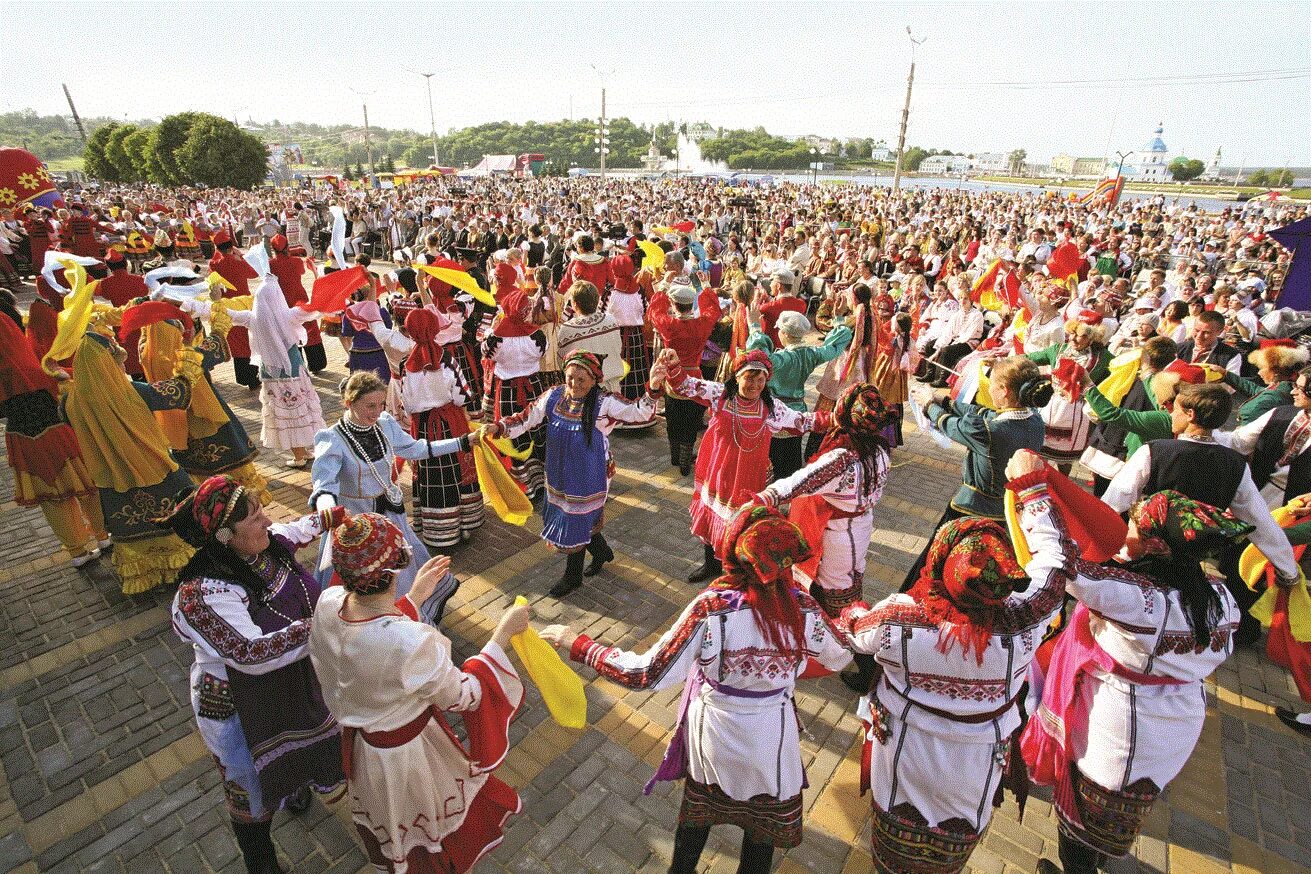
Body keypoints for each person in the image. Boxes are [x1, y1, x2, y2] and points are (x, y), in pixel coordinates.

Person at [539, 506, 852, 874]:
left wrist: (579, 644)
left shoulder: (712, 608)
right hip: (772, 739)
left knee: (697, 819)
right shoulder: (802, 608)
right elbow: (841, 655)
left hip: (715, 737)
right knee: (760, 837)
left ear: (735, 551)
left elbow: (646, 674)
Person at [1021, 479, 1248, 874]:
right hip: (1173, 727)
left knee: (1081, 825)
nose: (1127, 530)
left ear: (1158, 546)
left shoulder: (1143, 601)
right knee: (1120, 814)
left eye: (1136, 528)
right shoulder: (1219, 598)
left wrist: (1032, 492)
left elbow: (1061, 568)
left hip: (1117, 734)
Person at [835, 491, 1068, 873]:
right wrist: (1035, 494)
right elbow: (1056, 566)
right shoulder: (1024, 625)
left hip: (904, 759)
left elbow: (852, 630)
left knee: (892, 857)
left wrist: (853, 609)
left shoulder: (900, 620)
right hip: (975, 769)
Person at [309, 513, 530, 874]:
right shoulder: (412, 643)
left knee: (396, 829)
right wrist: (501, 636)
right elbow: (465, 696)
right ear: (395, 569)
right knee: (432, 832)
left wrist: (414, 598)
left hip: (368, 752)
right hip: (411, 757)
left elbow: (370, 641)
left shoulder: (329, 602)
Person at [165, 476, 346, 874]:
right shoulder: (202, 593)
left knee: (296, 752)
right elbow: (249, 652)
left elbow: (299, 529)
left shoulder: (262, 546)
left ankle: (295, 784)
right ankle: (260, 863)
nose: (267, 520)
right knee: (250, 789)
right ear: (226, 535)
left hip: (289, 680)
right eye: (255, 516)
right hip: (239, 706)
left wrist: (335, 517)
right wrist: (332, 621)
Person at [490, 350, 663, 596]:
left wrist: (653, 388)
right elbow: (526, 419)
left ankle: (573, 577)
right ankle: (602, 552)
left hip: (590, 475)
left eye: (581, 380)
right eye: (570, 377)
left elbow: (639, 413)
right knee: (581, 519)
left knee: (576, 521)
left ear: (594, 380)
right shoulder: (554, 396)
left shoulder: (604, 402)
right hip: (560, 471)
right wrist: (498, 427)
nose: (574, 384)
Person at [656, 347, 830, 583]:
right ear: (737, 376)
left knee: (741, 526)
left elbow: (802, 421)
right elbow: (685, 385)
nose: (755, 385)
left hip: (750, 476)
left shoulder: (771, 408)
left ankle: (733, 571)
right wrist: (674, 365)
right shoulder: (720, 396)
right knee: (713, 518)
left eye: (761, 380)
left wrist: (835, 418)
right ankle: (710, 566)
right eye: (750, 378)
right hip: (720, 470)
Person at [312, 371, 483, 610]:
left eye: (381, 404)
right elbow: (324, 487)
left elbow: (416, 449)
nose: (377, 411)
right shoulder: (332, 439)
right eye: (369, 405)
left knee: (402, 571)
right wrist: (330, 511)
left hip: (391, 516)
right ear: (349, 403)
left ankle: (407, 613)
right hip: (356, 527)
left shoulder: (384, 423)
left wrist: (462, 442)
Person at [62, 331, 199, 594]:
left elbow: (68, 419)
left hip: (112, 476)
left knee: (129, 523)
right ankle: (186, 565)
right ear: (109, 363)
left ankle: (147, 574)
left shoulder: (71, 400)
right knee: (182, 509)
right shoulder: (128, 391)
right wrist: (187, 368)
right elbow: (178, 395)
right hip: (154, 466)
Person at [902, 356, 1048, 590]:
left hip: (971, 509)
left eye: (992, 384)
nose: (988, 387)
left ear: (1003, 391)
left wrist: (929, 405)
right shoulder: (1034, 420)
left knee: (938, 566)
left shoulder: (991, 431)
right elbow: (982, 412)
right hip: (1009, 512)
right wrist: (944, 399)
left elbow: (950, 425)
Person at [756, 382, 892, 617]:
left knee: (834, 589)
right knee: (852, 576)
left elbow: (799, 482)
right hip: (859, 526)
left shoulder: (842, 459)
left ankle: (835, 641)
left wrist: (762, 498)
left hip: (837, 534)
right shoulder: (879, 449)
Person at [367, 306, 484, 548]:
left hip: (422, 427)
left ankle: (437, 529)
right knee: (456, 472)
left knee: (429, 473)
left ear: (410, 332)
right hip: (451, 422)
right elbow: (463, 395)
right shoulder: (447, 359)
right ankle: (461, 525)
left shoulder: (405, 366)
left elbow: (407, 404)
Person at [0, 314, 107, 566]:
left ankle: (77, 552)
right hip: (55, 429)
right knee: (87, 483)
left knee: (51, 498)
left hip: (20, 435)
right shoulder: (29, 365)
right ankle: (102, 535)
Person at [138, 312, 269, 500]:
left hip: (178, 423)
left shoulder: (150, 344)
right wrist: (218, 329)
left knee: (200, 476)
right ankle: (241, 504)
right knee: (229, 467)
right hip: (203, 413)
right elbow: (204, 355)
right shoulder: (181, 358)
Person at [746, 306, 852, 480]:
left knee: (773, 454)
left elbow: (759, 354)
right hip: (797, 411)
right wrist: (839, 318)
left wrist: (754, 326)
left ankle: (774, 487)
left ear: (786, 334)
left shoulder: (780, 359)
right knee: (792, 452)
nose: (778, 333)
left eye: (779, 330)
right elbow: (832, 347)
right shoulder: (810, 354)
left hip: (776, 411)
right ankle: (792, 486)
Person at [481, 281, 549, 501]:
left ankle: (522, 484)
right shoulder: (537, 336)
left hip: (508, 389)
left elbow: (487, 355)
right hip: (534, 386)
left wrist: (494, 326)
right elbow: (542, 353)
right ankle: (541, 480)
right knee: (537, 429)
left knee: (513, 432)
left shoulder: (496, 338)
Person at [648, 277, 723, 475]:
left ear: (674, 304)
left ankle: (675, 454)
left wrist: (663, 287)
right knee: (691, 421)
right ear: (692, 303)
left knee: (673, 417)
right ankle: (684, 458)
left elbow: (655, 312)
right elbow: (713, 311)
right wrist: (707, 287)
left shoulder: (670, 325)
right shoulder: (702, 324)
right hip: (694, 376)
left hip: (672, 378)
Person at [208, 230, 261, 389]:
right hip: (244, 304)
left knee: (237, 342)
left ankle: (243, 376)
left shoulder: (215, 264)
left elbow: (213, 267)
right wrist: (241, 256)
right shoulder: (239, 262)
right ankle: (253, 376)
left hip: (227, 305)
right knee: (248, 339)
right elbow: (254, 273)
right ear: (231, 246)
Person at [268, 234, 327, 374]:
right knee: (310, 329)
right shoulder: (296, 261)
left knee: (290, 333)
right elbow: (300, 271)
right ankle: (317, 363)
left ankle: (298, 366)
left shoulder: (271, 264)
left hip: (282, 302)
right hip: (300, 299)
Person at [555, 280, 624, 392]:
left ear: (575, 304)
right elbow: (618, 348)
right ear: (597, 300)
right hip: (614, 387)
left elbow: (563, 363)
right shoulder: (611, 320)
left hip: (584, 391)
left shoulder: (567, 329)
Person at [1221, 340, 1306, 426]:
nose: (1259, 372)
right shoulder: (1283, 386)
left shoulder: (1274, 396)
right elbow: (1258, 391)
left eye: (1262, 368)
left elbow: (1252, 414)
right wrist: (1226, 375)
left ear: (1277, 370)